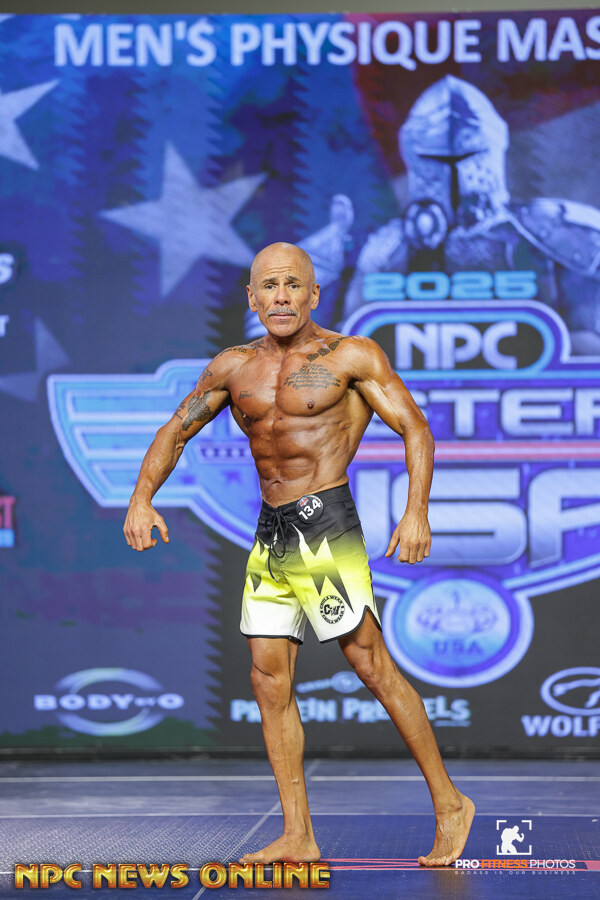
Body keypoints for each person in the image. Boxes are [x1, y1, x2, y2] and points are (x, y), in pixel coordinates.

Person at [123, 241, 475, 867]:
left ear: (314, 293)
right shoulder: (233, 367)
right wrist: (141, 498)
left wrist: (416, 511)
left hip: (325, 522)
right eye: (269, 285)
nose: (281, 296)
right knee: (267, 679)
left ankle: (450, 803)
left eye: (293, 284)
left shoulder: (350, 356)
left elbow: (415, 427)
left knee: (369, 663)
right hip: (272, 531)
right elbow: (175, 430)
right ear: (251, 297)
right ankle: (298, 835)